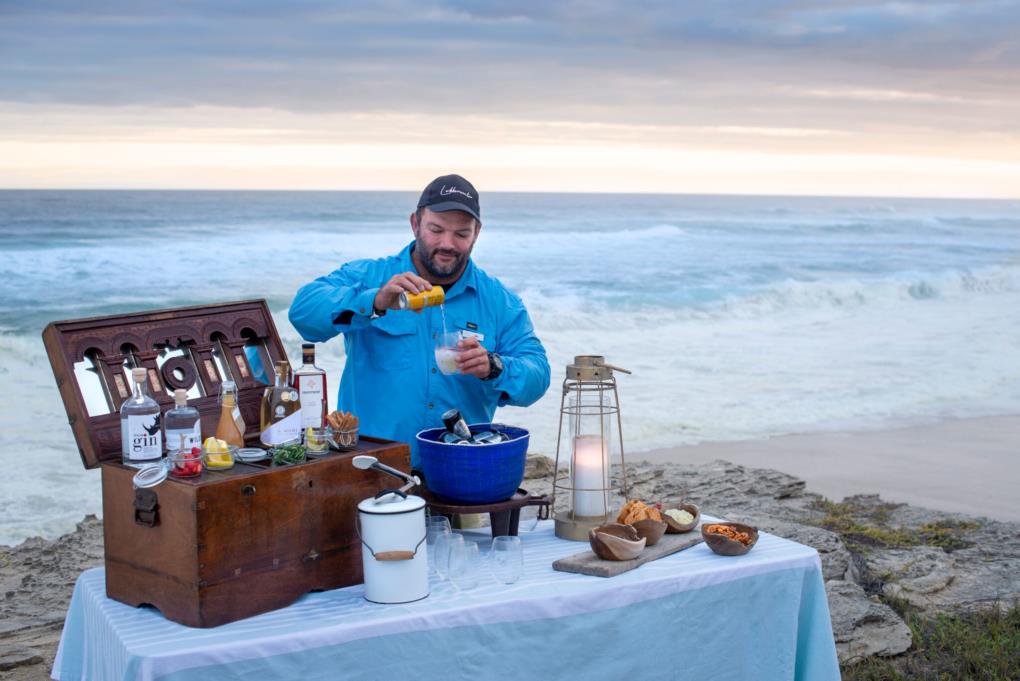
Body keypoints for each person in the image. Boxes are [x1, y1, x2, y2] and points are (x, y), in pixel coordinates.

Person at [289, 174, 550, 466]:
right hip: (371, 466)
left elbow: (538, 375)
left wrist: (494, 366)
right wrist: (374, 301)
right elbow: (302, 311)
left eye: (461, 234)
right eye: (436, 230)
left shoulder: (499, 301)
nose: (447, 243)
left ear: (476, 233)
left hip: (461, 469)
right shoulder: (371, 276)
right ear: (415, 223)